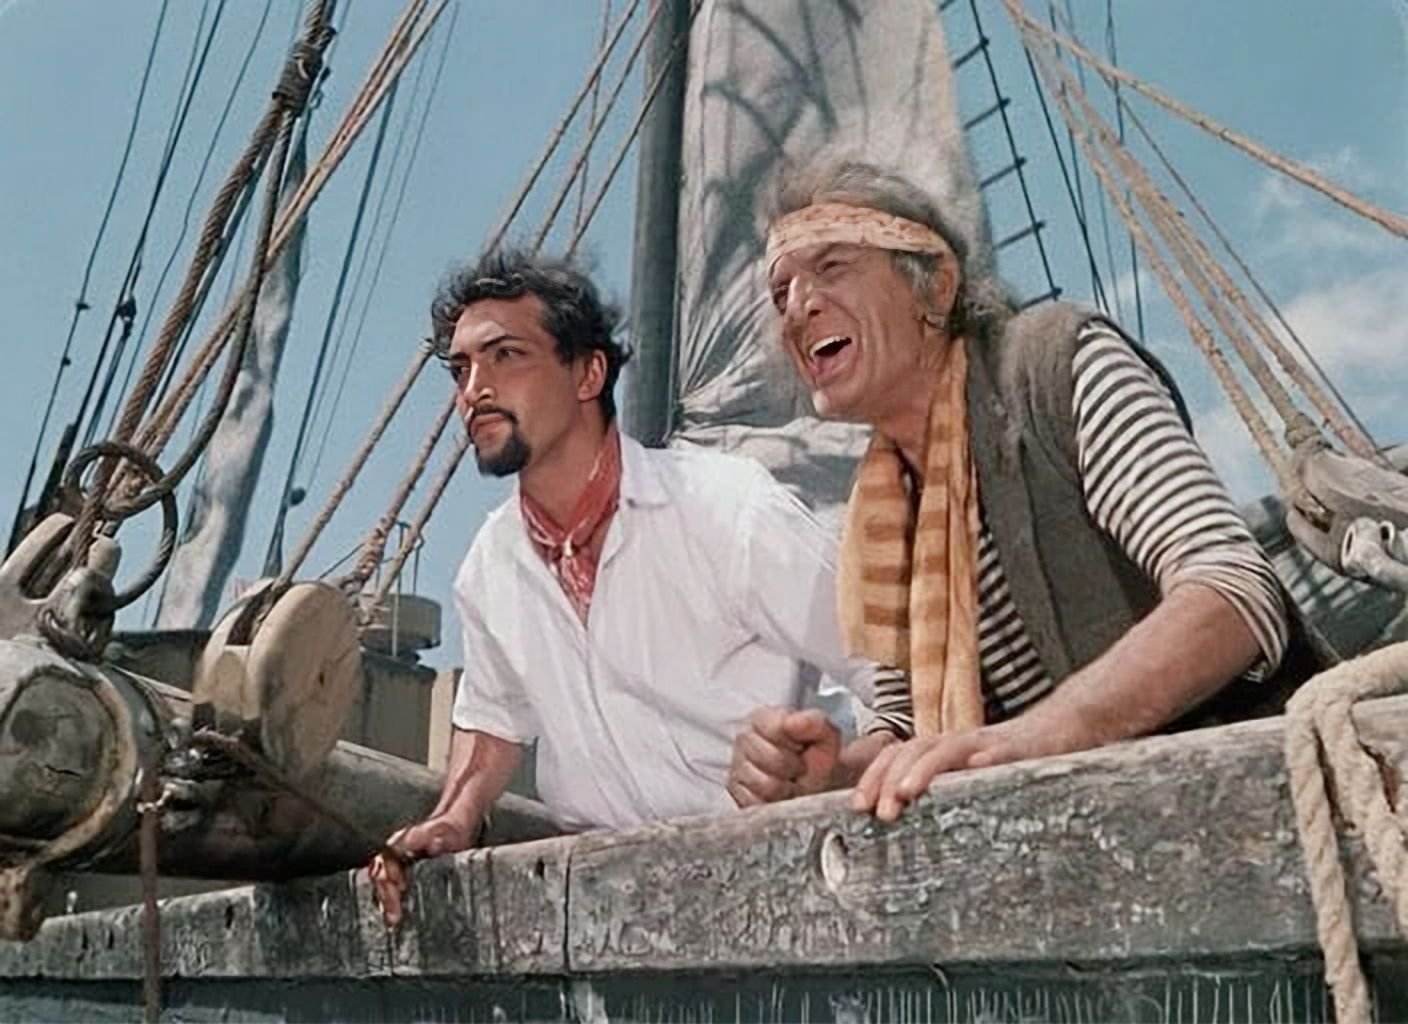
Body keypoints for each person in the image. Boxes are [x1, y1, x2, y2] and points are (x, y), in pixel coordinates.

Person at [729, 158, 1312, 823]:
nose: (798, 308)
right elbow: (911, 729)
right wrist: (830, 776)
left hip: (1257, 806)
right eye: (780, 292)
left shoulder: (1056, 365)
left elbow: (1232, 595)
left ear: (935, 286)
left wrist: (1035, 738)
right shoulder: (883, 513)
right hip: (1090, 845)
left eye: (832, 267)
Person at [370, 248, 884, 926]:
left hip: (778, 891)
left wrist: (839, 773)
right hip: (606, 913)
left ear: (588, 373)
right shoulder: (490, 568)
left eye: (505, 356)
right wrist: (454, 817)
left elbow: (892, 666)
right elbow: (494, 720)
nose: (474, 390)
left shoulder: (728, 508)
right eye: (460, 368)